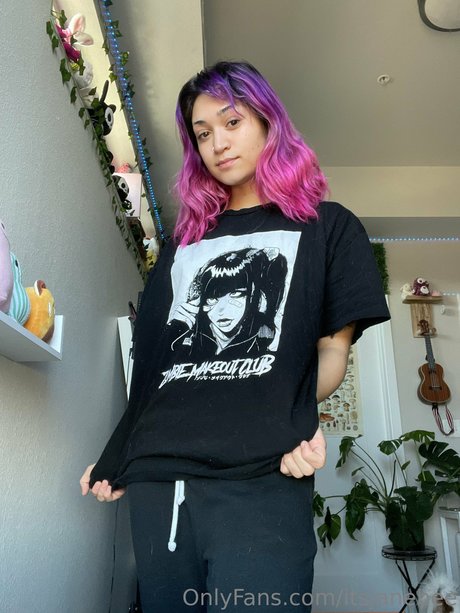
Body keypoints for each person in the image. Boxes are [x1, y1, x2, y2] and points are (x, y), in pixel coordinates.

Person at [80, 61, 390, 612]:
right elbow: (153, 366)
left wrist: (295, 417)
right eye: (202, 134)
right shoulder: (183, 243)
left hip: (262, 475)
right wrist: (119, 453)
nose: (217, 144)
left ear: (269, 122)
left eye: (231, 122)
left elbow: (331, 350)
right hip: (161, 481)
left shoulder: (329, 228)